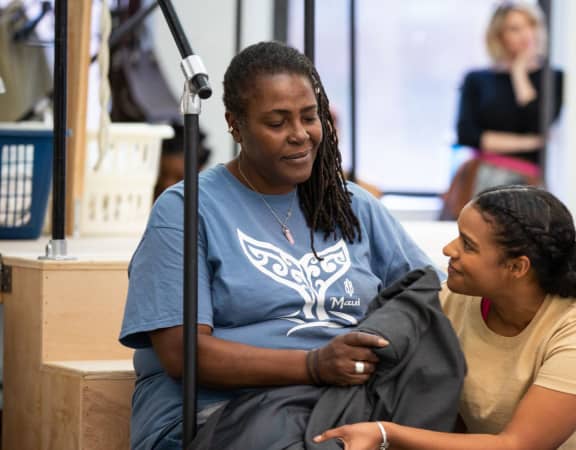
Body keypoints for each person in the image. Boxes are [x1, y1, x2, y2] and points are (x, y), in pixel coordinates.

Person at [119, 41, 438, 450]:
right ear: (235, 125)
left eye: (310, 117)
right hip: (220, 412)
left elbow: (425, 293)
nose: (300, 135)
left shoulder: (351, 204)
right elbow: (182, 355)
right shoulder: (188, 209)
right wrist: (315, 365)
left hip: (343, 404)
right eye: (277, 122)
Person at [315, 185, 576, 450]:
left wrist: (387, 433)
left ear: (517, 267)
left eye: (468, 245)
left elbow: (517, 445)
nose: (448, 249)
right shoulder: (453, 300)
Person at [442, 2, 564, 220]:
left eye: (531, 26)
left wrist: (519, 74)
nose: (526, 34)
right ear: (499, 36)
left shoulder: (552, 78)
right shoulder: (477, 79)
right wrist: (529, 142)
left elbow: (538, 123)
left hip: (526, 183)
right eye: (515, 29)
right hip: (479, 178)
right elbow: (467, 134)